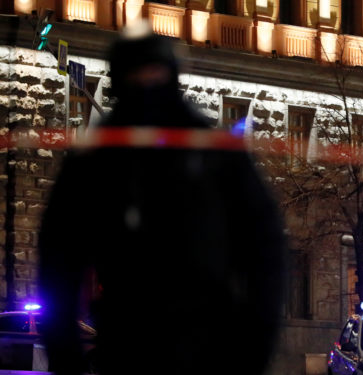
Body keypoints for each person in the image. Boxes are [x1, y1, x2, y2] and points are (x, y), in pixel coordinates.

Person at [38, 21, 286, 375]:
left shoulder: (211, 151)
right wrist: (66, 356)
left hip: (203, 344)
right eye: (137, 73)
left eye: (153, 72)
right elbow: (59, 262)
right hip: (129, 344)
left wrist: (253, 350)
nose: (146, 84)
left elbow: (265, 254)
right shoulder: (97, 158)